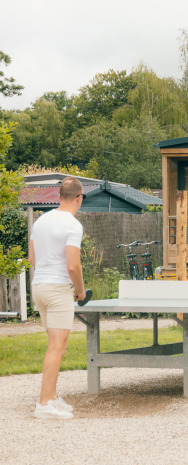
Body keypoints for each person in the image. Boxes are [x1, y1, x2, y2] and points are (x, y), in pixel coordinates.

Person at [28, 177, 87, 419]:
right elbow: (73, 266)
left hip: (39, 287)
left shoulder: (41, 220)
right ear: (79, 198)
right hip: (57, 289)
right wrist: (80, 291)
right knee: (57, 347)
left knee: (55, 345)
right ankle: (43, 404)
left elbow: (32, 258)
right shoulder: (73, 225)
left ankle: (51, 396)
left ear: (59, 195)